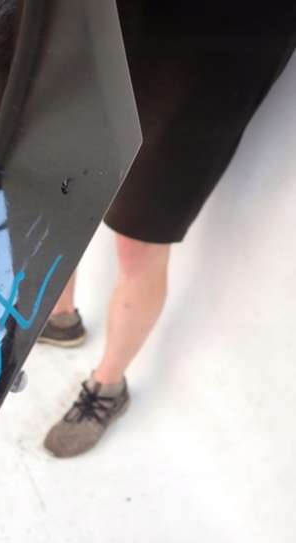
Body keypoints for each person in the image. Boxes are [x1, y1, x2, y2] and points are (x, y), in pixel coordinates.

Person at [41, 0, 296, 458]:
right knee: (65, 182)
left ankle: (107, 386)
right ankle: (58, 316)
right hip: (117, 20)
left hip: (217, 46)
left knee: (142, 235)